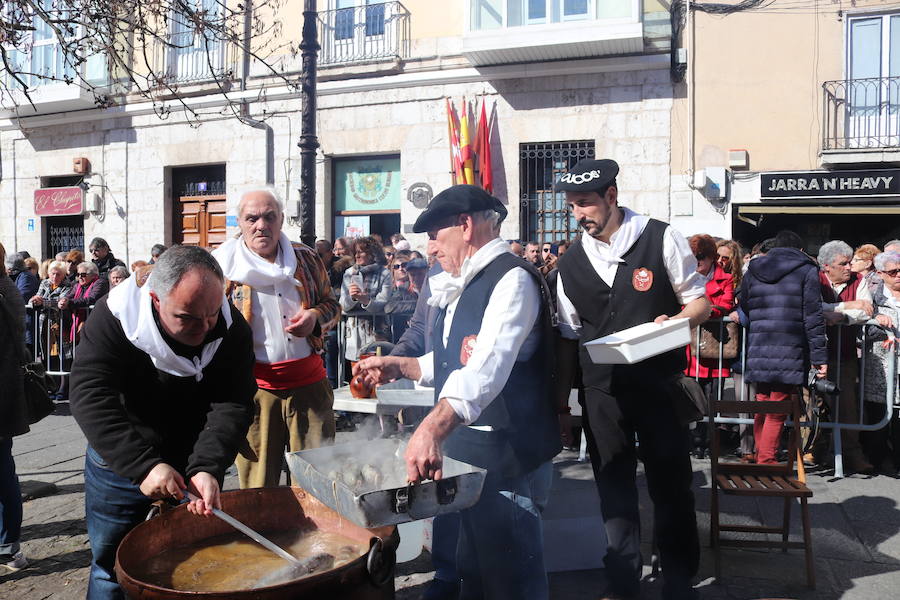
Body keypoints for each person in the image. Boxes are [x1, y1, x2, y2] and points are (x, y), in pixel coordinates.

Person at [355, 184, 560, 599]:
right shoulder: (464, 282)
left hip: (509, 458)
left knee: (513, 578)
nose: (429, 249)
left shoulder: (512, 280)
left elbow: (486, 369)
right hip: (471, 454)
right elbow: (454, 361)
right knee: (477, 570)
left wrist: (430, 429)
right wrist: (402, 365)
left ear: (465, 225)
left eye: (434, 235)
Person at [553, 159, 710, 600]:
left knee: (671, 486)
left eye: (586, 203)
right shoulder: (569, 263)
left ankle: (679, 580)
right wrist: (562, 404)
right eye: (572, 206)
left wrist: (674, 322)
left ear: (611, 197)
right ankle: (622, 580)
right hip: (602, 391)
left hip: (659, 384)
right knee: (613, 488)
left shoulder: (660, 237)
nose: (579, 213)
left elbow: (700, 305)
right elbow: (569, 337)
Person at [69, 245, 256, 599]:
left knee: (195, 564)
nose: (204, 328)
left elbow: (233, 401)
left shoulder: (231, 327)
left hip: (192, 461)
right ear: (156, 300)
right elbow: (90, 394)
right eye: (186, 317)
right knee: (111, 569)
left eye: (212, 314)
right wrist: (143, 467)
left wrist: (208, 467)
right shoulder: (115, 318)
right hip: (121, 462)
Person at [212, 189, 339, 489]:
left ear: (281, 219)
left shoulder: (305, 258)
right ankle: (262, 538)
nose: (261, 225)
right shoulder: (222, 268)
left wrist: (315, 318)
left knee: (317, 483)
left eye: (269, 217)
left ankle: (315, 537)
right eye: (252, 218)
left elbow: (333, 305)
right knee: (258, 488)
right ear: (240, 224)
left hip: (309, 388)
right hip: (255, 392)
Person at [737, 230, 828, 468]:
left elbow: (744, 302)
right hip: (790, 345)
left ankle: (760, 453)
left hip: (759, 343)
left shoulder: (754, 269)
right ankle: (766, 459)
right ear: (799, 250)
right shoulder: (806, 269)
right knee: (778, 404)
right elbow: (813, 316)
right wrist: (819, 357)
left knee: (762, 400)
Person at [817, 239, 875, 473]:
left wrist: (840, 316)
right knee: (813, 404)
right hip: (816, 354)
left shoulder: (859, 280)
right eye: (844, 263)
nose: (849, 267)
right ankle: (812, 450)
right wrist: (847, 305)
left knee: (848, 407)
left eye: (850, 262)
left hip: (844, 353)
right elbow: (813, 307)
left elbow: (866, 310)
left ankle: (852, 454)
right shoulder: (814, 279)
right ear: (827, 266)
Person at [686, 234, 735, 459]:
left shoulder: (725, 278)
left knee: (712, 396)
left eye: (700, 258)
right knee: (692, 395)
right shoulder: (686, 276)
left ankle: (708, 441)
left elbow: (725, 304)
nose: (696, 262)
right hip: (691, 347)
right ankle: (695, 440)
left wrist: (706, 310)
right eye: (693, 257)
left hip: (714, 346)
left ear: (711, 258)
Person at [0, 243, 28, 574]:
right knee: (4, 470)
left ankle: (8, 545)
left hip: (2, 394)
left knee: (4, 472)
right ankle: (9, 545)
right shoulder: (8, 288)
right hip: (6, 395)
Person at [861, 251, 900, 473]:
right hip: (881, 363)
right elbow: (861, 328)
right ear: (881, 273)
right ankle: (875, 460)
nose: (898, 275)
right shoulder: (873, 297)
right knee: (879, 411)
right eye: (893, 271)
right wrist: (877, 323)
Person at [340, 236, 391, 362]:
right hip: (354, 331)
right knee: (357, 372)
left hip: (377, 331)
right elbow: (343, 305)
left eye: (361, 252)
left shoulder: (384, 274)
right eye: (355, 252)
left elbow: (383, 302)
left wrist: (366, 301)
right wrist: (352, 298)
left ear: (372, 254)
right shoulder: (349, 273)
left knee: (378, 371)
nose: (357, 255)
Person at [6, 253, 40, 352]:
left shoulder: (26, 277)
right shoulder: (19, 276)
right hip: (20, 325)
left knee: (27, 356)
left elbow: (20, 297)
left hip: (27, 323)